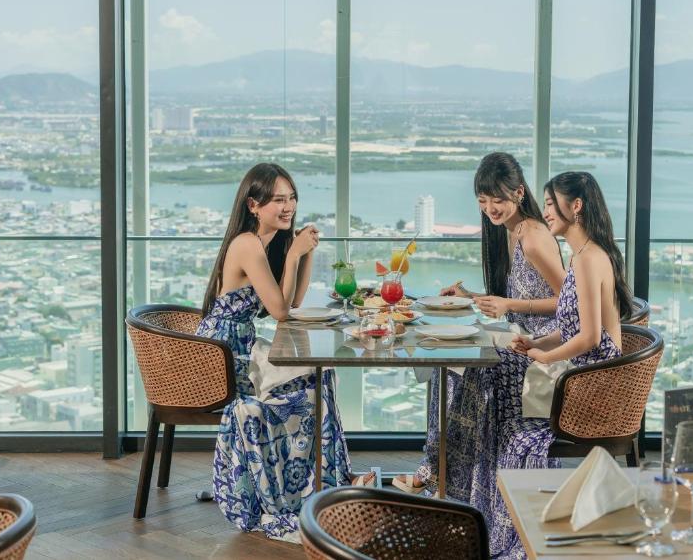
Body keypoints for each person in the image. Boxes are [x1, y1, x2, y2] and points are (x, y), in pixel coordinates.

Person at [195, 162, 372, 543]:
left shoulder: (267, 241)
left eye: (291, 198)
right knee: (305, 390)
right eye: (278, 199)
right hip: (223, 354)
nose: (288, 206)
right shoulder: (246, 243)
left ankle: (329, 482)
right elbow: (278, 311)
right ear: (254, 205)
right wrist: (293, 255)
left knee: (320, 376)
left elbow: (293, 302)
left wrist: (303, 255)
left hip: (241, 345)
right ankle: (303, 494)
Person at [395, 152, 566, 502]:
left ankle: (442, 475)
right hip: (521, 339)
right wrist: (471, 297)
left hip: (545, 347)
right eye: (483, 201)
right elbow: (514, 297)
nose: (490, 208)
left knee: (469, 366)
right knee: (447, 360)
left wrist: (509, 306)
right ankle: (442, 472)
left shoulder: (534, 237)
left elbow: (569, 303)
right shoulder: (510, 231)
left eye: (497, 199)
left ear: (519, 192)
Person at [491, 170, 631, 559]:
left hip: (593, 389)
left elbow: (589, 338)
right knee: (511, 418)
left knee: (515, 434)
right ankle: (525, 534)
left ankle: (526, 542)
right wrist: (535, 343)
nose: (546, 211)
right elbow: (571, 326)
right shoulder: (581, 256)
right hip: (580, 379)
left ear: (577, 206)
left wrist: (544, 357)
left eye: (552, 203)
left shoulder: (589, 260)